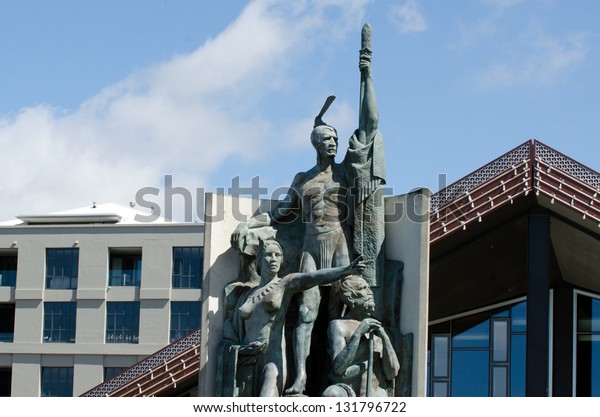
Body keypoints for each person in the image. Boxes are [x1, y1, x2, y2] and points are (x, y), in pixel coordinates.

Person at [236, 238, 366, 397]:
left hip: (271, 360)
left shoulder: (284, 283)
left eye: (278, 255)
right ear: (259, 259)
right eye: (268, 255)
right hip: (245, 361)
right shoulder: (246, 295)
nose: (273, 259)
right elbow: (232, 332)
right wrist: (238, 350)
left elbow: (313, 277)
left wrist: (346, 270)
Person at [323, 275, 399, 397]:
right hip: (348, 389)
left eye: (369, 288)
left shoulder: (378, 329)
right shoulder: (338, 325)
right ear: (350, 297)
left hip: (375, 392)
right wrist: (358, 333)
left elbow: (392, 373)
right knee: (331, 394)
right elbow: (338, 367)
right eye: (363, 288)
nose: (370, 292)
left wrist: (384, 337)